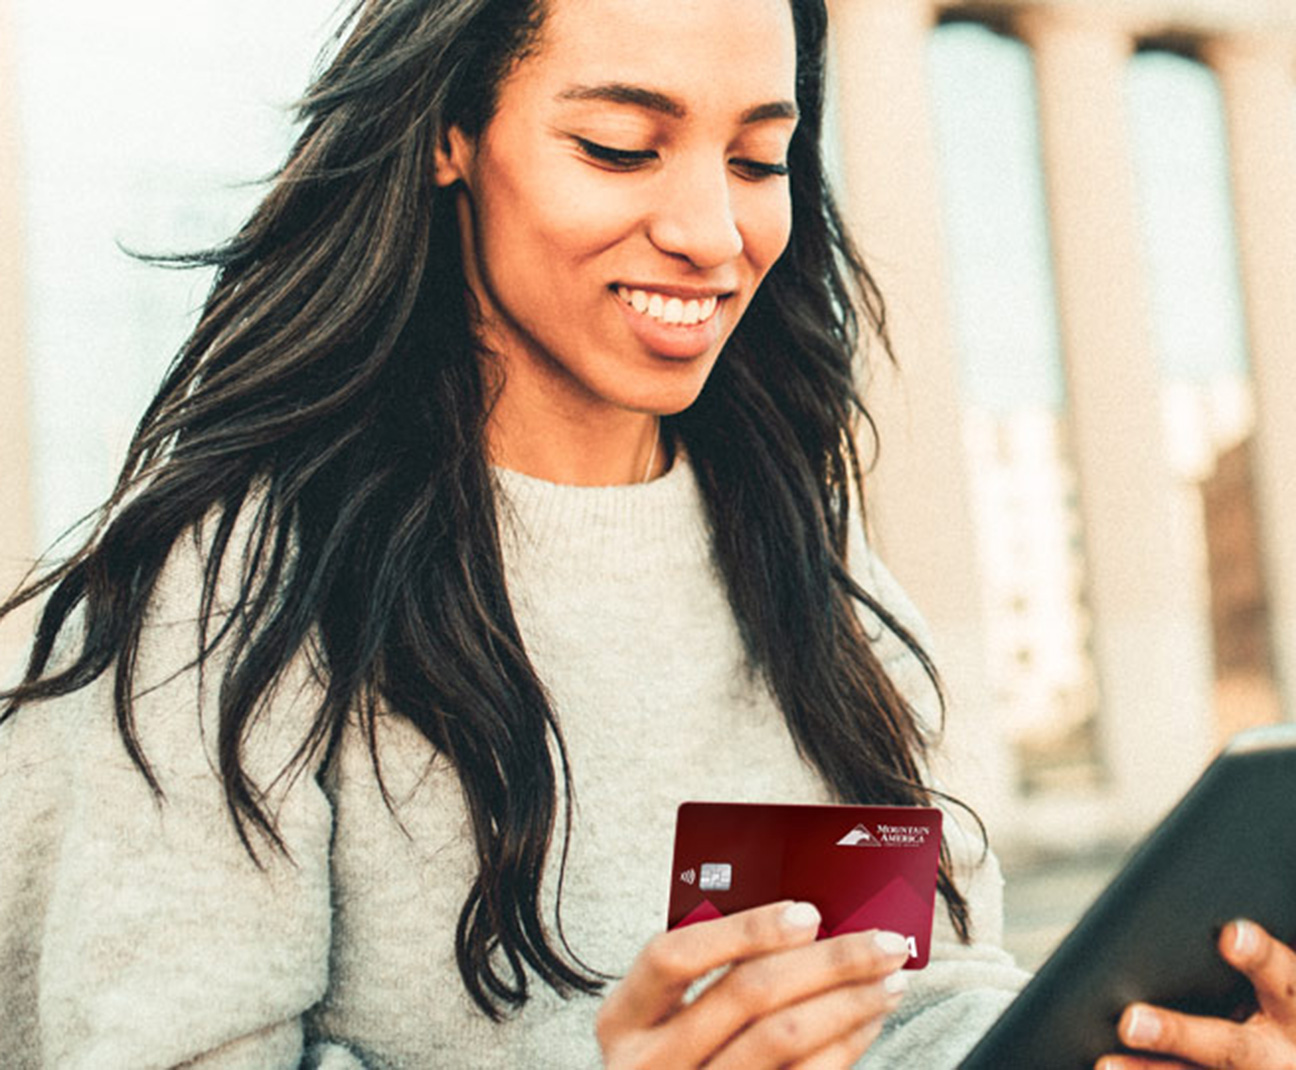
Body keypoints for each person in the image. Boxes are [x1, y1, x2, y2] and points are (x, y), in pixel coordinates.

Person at [1, 0, 1288, 1067]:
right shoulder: (226, 590)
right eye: (620, 146)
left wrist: (1138, 1040)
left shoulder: (813, 568)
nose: (711, 236)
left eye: (756, 160)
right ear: (452, 132)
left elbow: (902, 1001)